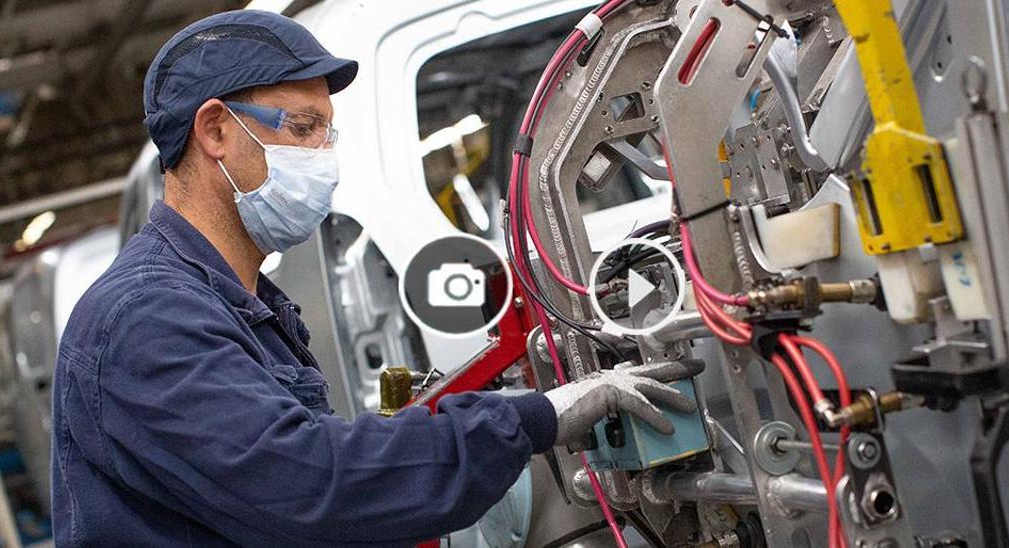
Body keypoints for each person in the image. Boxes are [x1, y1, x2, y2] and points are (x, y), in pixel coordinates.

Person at [51, 10, 693, 546]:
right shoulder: (145, 320)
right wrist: (531, 419)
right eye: (302, 129)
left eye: (327, 132)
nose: (324, 157)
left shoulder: (238, 301)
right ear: (216, 131)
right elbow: (308, 481)